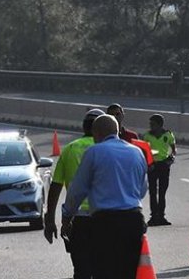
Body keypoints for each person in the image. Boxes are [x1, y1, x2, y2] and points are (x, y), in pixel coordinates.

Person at [62, 114, 148, 279]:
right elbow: (142, 190)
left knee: (104, 271)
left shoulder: (94, 152)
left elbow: (77, 190)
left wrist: (67, 216)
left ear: (97, 133)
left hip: (105, 222)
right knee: (129, 272)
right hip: (134, 220)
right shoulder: (137, 152)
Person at [43, 108, 104, 279]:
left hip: (78, 220)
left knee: (82, 270)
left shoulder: (70, 149)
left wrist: (50, 220)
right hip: (106, 218)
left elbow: (56, 186)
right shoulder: (108, 148)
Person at [144, 114, 176, 226]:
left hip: (163, 165)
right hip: (152, 165)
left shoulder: (168, 135)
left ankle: (161, 216)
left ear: (159, 125)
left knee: (162, 192)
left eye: (153, 124)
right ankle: (153, 216)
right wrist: (149, 163)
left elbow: (173, 149)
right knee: (153, 192)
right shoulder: (147, 136)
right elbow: (145, 151)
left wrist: (170, 160)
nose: (151, 126)